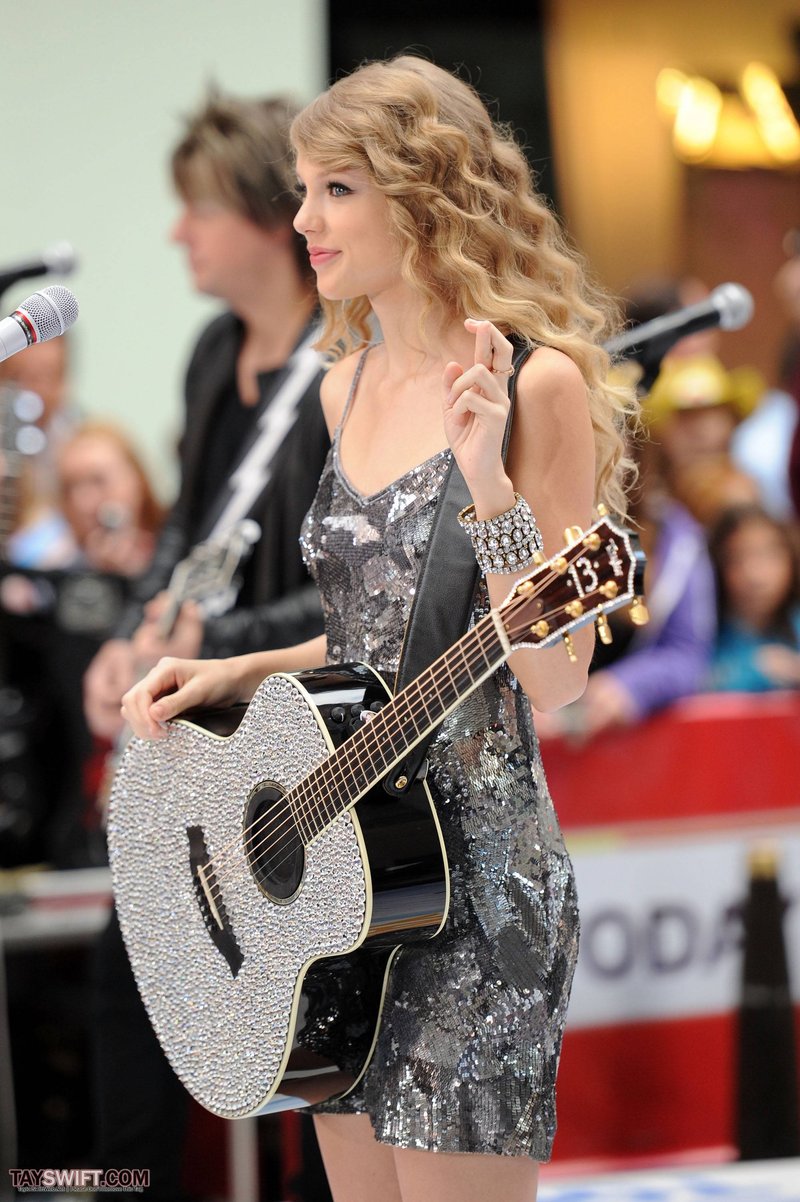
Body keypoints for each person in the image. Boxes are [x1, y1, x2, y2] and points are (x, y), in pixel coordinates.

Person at [119, 55, 635, 1202]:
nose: (302, 218)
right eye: (302, 190)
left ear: (424, 192)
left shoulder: (535, 381)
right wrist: (235, 666)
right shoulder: (335, 385)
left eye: (333, 189)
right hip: (336, 898)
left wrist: (490, 488)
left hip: (479, 890)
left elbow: (554, 675)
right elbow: (373, 638)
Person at [86, 89, 330, 1201]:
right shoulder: (209, 351)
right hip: (196, 743)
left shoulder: (349, 360)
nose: (177, 233)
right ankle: (114, 1189)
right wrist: (135, 630)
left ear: (262, 215)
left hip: (298, 739)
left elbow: (354, 590)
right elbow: (187, 530)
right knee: (122, 983)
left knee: (311, 1045)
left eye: (195, 209)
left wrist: (211, 641)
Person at [706, 503, 800, 693]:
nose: (755, 575)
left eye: (770, 554)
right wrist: (755, 668)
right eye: (737, 558)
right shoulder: (701, 632)